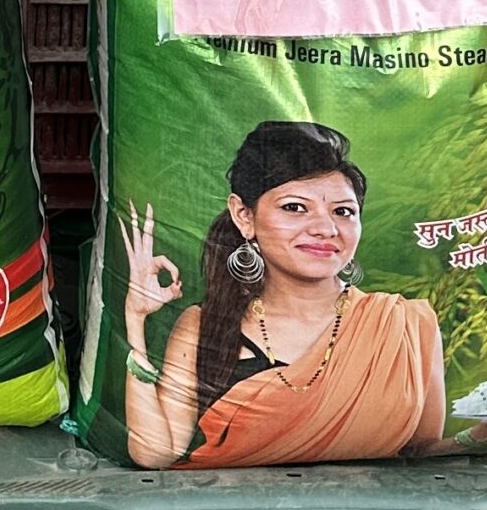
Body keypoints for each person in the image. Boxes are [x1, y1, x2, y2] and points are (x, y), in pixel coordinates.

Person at [120, 119, 445, 468]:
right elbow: (155, 453)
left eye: (343, 212)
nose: (325, 229)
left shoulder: (404, 325)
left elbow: (421, 453)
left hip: (371, 502)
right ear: (244, 216)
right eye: (295, 207)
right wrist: (135, 319)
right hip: (240, 502)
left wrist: (482, 436)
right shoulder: (204, 325)